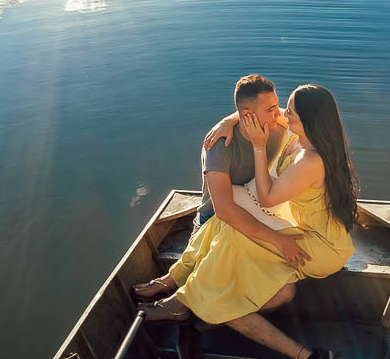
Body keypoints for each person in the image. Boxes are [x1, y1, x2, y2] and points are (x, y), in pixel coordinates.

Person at [136, 84, 359, 359]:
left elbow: (266, 199)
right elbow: (256, 111)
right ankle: (176, 281)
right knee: (224, 221)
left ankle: (179, 304)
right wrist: (229, 120)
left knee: (233, 236)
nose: (282, 114)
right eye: (284, 108)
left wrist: (258, 147)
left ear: (308, 121)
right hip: (308, 229)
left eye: (290, 112)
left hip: (320, 246)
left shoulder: (311, 159)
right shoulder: (302, 133)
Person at [132, 74, 308, 310]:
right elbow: (224, 211)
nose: (280, 113)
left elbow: (302, 120)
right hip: (214, 217)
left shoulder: (274, 125)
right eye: (272, 108)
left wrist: (231, 118)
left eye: (278, 106)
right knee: (207, 270)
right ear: (248, 116)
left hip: (254, 207)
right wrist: (279, 241)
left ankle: (194, 305)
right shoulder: (219, 146)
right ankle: (173, 288)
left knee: (281, 289)